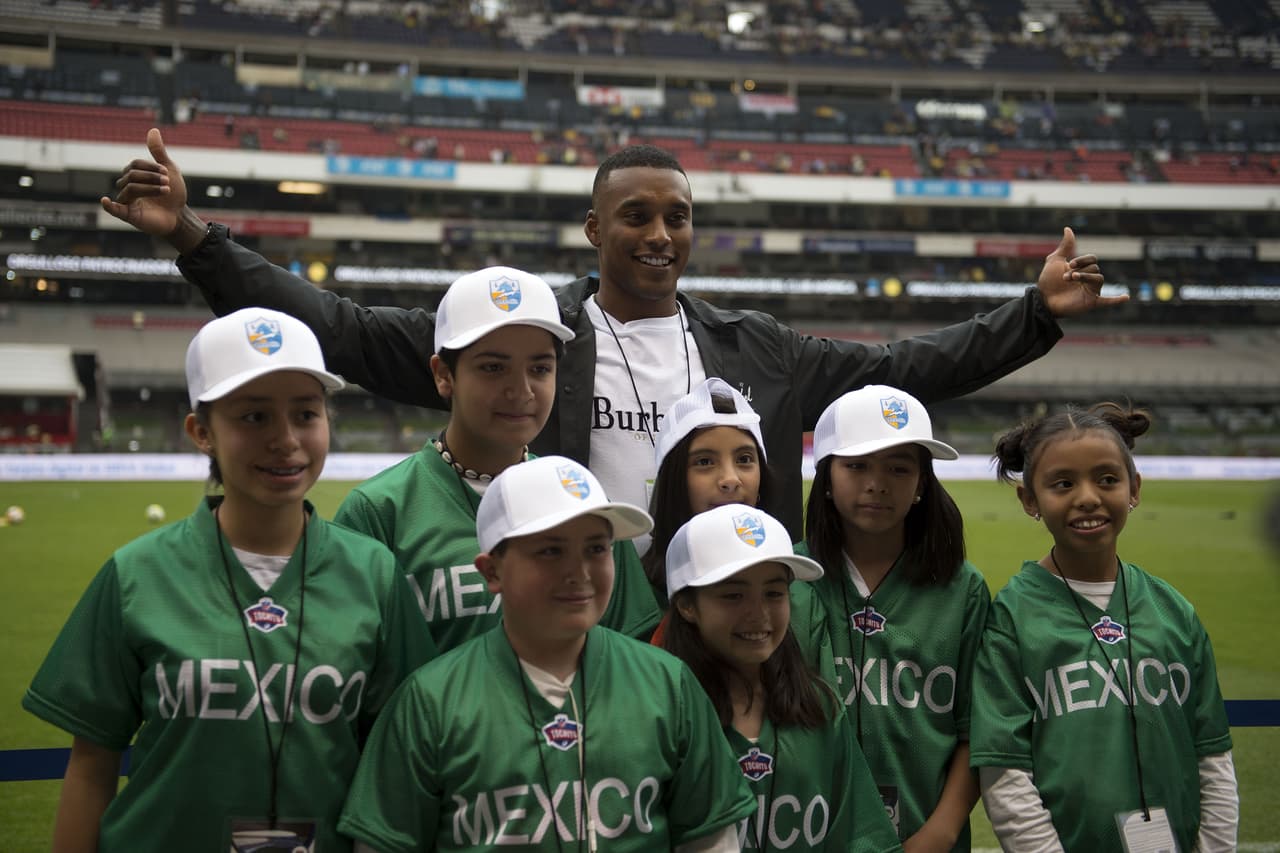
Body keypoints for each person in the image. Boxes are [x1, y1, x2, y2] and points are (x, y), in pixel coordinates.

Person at [102, 131, 1120, 538]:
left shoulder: (757, 350)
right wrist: (194, 237)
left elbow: (906, 369)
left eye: (676, 216)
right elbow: (341, 329)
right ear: (594, 231)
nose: (660, 234)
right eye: (636, 215)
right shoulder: (525, 345)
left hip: (730, 623)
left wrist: (1030, 315)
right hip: (573, 616)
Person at [22, 308, 436, 851]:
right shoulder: (136, 574)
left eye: (306, 414)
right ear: (201, 432)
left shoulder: (374, 573)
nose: (286, 440)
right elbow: (92, 766)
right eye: (253, 417)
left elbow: (397, 764)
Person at [337, 455, 757, 852]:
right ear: (491, 571)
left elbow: (709, 837)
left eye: (596, 548)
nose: (579, 572)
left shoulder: (670, 685)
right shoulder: (428, 702)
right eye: (551, 550)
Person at [331, 265, 659, 652]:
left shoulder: (587, 505)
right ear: (443, 375)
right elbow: (356, 665)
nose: (521, 391)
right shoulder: (378, 513)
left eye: (540, 368)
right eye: (493, 367)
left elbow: (633, 660)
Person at [972, 402, 1238, 852]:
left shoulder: (1174, 611)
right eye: (1063, 484)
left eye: (1107, 479)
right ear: (1029, 500)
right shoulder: (1011, 619)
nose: (1088, 497)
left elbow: (1212, 753)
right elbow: (1005, 773)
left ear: (1134, 489)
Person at [802, 386, 989, 851]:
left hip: (929, 836)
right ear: (826, 476)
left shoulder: (963, 589)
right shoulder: (789, 579)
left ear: (923, 482)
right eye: (857, 465)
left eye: (899, 468)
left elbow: (977, 729)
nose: (877, 483)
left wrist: (940, 832)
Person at [662, 504, 903, 852]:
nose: (758, 614)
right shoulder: (662, 717)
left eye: (774, 593)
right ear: (686, 604)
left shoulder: (818, 707)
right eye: (733, 595)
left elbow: (861, 835)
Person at [644, 377, 834, 685]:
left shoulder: (801, 598)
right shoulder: (636, 594)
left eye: (745, 459)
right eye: (705, 461)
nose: (731, 479)